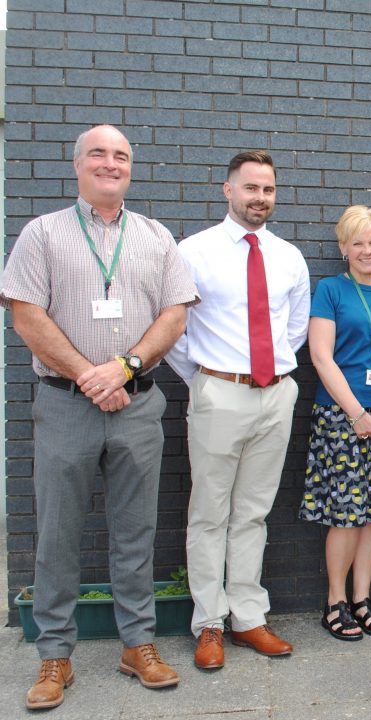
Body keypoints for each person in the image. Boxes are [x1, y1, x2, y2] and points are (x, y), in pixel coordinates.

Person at [0, 125, 199, 710]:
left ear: (130, 169)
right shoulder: (42, 234)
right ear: (77, 164)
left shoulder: (156, 236)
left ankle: (136, 644)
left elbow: (174, 316)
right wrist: (93, 374)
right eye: (98, 154)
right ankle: (54, 653)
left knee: (136, 530)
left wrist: (125, 367)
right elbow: (26, 316)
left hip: (137, 405)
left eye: (121, 156)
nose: (110, 163)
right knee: (58, 532)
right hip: (66, 404)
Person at [166, 151, 310, 670]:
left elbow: (294, 330)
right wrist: (206, 382)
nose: (260, 198)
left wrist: (270, 379)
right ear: (228, 190)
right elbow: (174, 329)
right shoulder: (193, 252)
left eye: (268, 190)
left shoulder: (289, 257)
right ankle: (208, 622)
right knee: (209, 513)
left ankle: (248, 617)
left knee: (253, 512)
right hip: (217, 394)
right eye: (250, 188)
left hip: (275, 395)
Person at [298, 205, 371, 641]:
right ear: (342, 248)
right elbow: (320, 356)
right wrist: (356, 414)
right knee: (346, 514)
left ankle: (362, 599)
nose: (367, 250)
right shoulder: (331, 290)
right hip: (341, 418)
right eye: (358, 242)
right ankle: (335, 601)